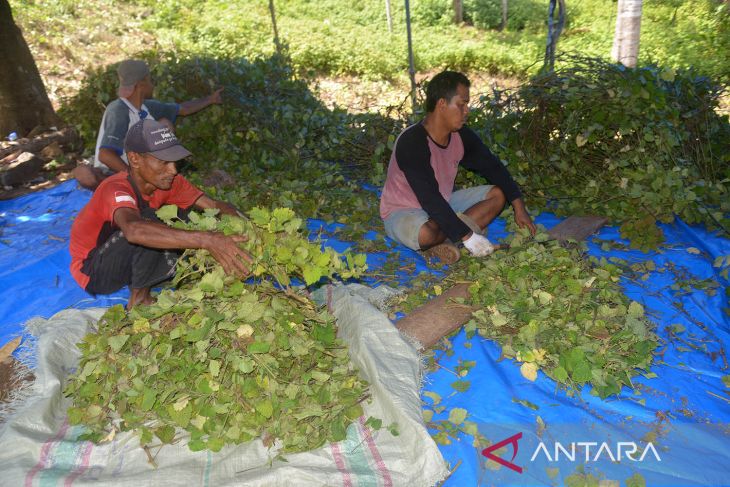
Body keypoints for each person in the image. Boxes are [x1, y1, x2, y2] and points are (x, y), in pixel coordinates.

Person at [69, 119, 252, 309]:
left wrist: (250, 228)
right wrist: (208, 240)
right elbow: (134, 230)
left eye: (175, 162)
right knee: (149, 222)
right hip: (95, 270)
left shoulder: (170, 181)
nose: (173, 170)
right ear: (135, 159)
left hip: (128, 257)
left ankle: (157, 275)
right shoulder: (115, 189)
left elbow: (213, 205)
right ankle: (140, 300)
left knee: (187, 218)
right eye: (164, 162)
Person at [380, 70, 536, 264]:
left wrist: (519, 207)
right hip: (404, 211)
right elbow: (428, 198)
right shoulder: (412, 141)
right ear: (441, 104)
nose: (466, 111)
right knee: (426, 234)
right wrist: (469, 237)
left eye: (467, 105)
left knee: (497, 195)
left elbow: (493, 168)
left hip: (444, 203)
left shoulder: (461, 136)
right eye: (461, 104)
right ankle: (448, 238)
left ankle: (445, 241)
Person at [73, 59, 224, 190]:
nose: (152, 85)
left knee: (165, 123)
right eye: (150, 80)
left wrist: (210, 99)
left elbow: (183, 109)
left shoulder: (147, 107)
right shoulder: (118, 110)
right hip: (116, 172)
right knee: (85, 174)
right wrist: (135, 178)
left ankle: (154, 179)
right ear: (142, 84)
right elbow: (105, 155)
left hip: (142, 170)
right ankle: (127, 190)